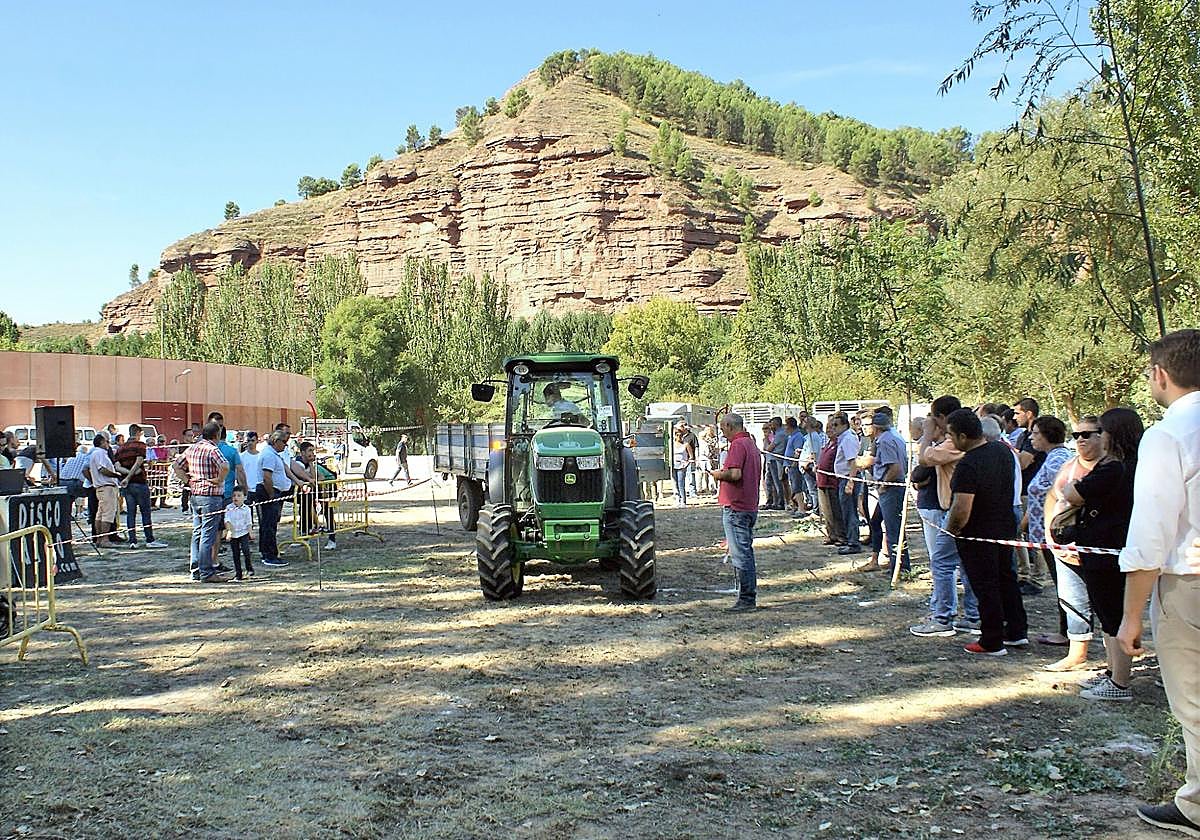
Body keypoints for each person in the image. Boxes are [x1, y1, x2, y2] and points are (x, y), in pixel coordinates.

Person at [1116, 329, 1200, 834]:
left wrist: (1130, 617)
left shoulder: (1168, 434)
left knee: (1194, 702)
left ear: (1160, 375)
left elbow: (1150, 533)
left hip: (1188, 581)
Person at [1059, 407, 1142, 702]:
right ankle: (1112, 672)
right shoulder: (1136, 464)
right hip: (1115, 545)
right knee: (1112, 614)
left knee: (1112, 616)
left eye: (1102, 431)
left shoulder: (1114, 467)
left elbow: (1073, 493)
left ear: (1113, 435)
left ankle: (1119, 683)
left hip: (1106, 548)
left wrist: (1073, 487)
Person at [944, 409, 1028, 656]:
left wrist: (953, 530)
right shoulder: (1002, 451)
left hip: (978, 533)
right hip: (1004, 526)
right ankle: (1016, 630)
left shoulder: (969, 464)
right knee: (1007, 580)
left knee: (986, 585)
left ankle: (992, 640)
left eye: (951, 435)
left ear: (962, 435)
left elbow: (962, 507)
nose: (950, 441)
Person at [911, 396, 981, 638]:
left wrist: (927, 434)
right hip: (952, 506)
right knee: (965, 563)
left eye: (934, 418)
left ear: (942, 418)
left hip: (956, 508)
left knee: (942, 561)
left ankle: (943, 617)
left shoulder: (954, 443)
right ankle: (972, 616)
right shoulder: (956, 441)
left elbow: (923, 459)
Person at [1039, 416, 1102, 671]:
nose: (1080, 440)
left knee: (1105, 601)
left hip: (1097, 545)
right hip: (1064, 546)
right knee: (1071, 597)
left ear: (1103, 435)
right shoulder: (1069, 465)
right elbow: (1053, 495)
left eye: (1087, 434)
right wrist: (1048, 534)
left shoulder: (1110, 467)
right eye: (1076, 435)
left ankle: (1118, 660)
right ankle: (1077, 653)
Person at [1021, 416, 1076, 656]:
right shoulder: (1051, 458)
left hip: (1055, 533)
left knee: (1066, 585)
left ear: (1045, 435)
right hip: (1043, 533)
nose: (1031, 438)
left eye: (1034, 434)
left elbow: (1056, 494)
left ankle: (1068, 632)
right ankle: (1067, 630)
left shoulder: (1058, 459)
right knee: (1060, 584)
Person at [709, 412, 762, 611]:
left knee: (741, 554)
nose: (722, 434)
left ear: (731, 426)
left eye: (723, 429)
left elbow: (735, 473)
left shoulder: (738, 446)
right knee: (744, 551)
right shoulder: (751, 444)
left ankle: (747, 599)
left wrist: (718, 474)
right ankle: (746, 596)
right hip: (748, 505)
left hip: (737, 507)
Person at [173, 421, 230, 583]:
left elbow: (176, 466)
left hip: (195, 495)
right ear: (217, 435)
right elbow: (225, 465)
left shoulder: (192, 448)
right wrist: (219, 479)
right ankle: (206, 572)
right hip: (211, 496)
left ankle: (196, 569)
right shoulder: (213, 449)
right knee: (208, 534)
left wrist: (187, 481)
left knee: (197, 532)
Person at [1013, 397, 1049, 595]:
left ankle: (1038, 579)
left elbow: (1023, 462)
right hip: (1023, 490)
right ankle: (1025, 574)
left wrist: (1010, 457)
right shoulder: (1024, 435)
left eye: (1018, 413)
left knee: (1036, 534)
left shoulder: (1033, 437)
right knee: (1020, 534)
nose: (1014, 416)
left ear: (1029, 414)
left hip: (1032, 491)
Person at [868, 411, 910, 574]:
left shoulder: (884, 441)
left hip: (891, 488)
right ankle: (896, 563)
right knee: (877, 521)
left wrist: (884, 485)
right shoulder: (895, 437)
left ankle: (900, 567)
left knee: (893, 529)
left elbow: (895, 467)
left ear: (875, 427)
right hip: (893, 487)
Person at [114, 423, 166, 549]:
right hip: (139, 482)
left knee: (131, 513)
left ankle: (133, 540)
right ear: (138, 433)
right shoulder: (140, 445)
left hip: (127, 485)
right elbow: (139, 462)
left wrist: (126, 476)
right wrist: (131, 474)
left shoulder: (121, 448)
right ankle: (149, 539)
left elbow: (117, 466)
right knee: (145, 512)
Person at [257, 431, 294, 568]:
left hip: (272, 491)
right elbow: (267, 477)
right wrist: (272, 494)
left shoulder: (273, 454)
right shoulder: (269, 455)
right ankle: (270, 555)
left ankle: (266, 551)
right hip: (269, 492)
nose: (286, 445)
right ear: (276, 441)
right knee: (269, 525)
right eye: (284, 442)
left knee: (268, 524)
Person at [833, 412, 863, 556]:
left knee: (850, 511)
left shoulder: (848, 439)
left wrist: (850, 481)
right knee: (846, 511)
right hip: (843, 478)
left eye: (836, 425)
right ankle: (851, 540)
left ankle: (853, 542)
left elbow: (853, 462)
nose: (833, 428)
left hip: (848, 478)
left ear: (844, 425)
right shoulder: (843, 438)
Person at [87, 434, 124, 545]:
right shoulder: (100, 453)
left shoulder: (95, 453)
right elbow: (102, 469)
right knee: (108, 514)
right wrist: (116, 475)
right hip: (107, 487)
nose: (108, 444)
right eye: (107, 442)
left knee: (100, 514)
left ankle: (99, 539)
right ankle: (104, 539)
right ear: (102, 442)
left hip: (101, 487)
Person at [815, 421, 845, 547]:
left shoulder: (838, 444)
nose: (829, 430)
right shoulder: (828, 443)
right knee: (826, 511)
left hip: (831, 481)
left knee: (835, 510)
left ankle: (841, 535)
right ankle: (831, 534)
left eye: (832, 428)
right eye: (827, 428)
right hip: (821, 481)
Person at [223, 486, 255, 581]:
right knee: (235, 554)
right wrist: (229, 531)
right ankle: (238, 573)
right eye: (234, 496)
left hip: (243, 532)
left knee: (246, 551)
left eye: (238, 495)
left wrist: (250, 533)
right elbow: (227, 520)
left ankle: (249, 568)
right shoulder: (228, 508)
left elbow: (249, 522)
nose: (236, 498)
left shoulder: (247, 509)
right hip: (233, 534)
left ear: (244, 497)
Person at [671, 423, 694, 507]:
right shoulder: (672, 445)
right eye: (677, 435)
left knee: (681, 483)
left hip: (681, 466)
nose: (679, 437)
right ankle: (677, 499)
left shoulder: (686, 444)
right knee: (675, 483)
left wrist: (686, 463)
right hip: (673, 465)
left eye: (680, 435)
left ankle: (683, 501)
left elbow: (691, 456)